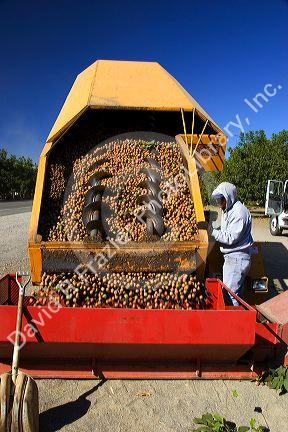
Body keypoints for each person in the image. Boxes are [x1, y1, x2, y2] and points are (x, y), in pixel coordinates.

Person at [210, 182, 253, 306]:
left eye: (221, 201)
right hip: (232, 258)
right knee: (235, 294)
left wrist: (212, 232)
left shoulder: (239, 213)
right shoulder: (229, 210)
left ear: (228, 197)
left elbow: (230, 237)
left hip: (237, 258)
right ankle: (240, 319)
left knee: (230, 296)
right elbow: (226, 230)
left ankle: (234, 322)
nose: (219, 204)